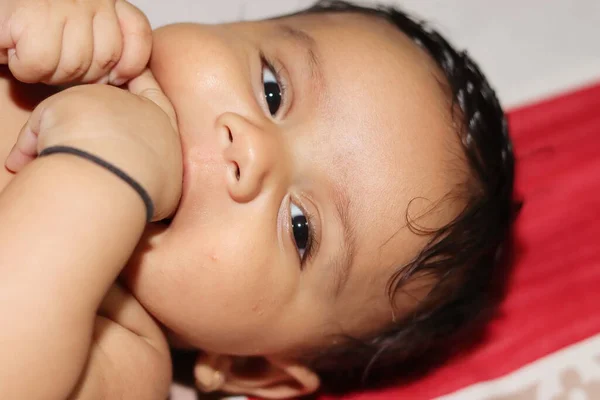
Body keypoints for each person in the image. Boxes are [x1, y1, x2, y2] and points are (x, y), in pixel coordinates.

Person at [0, 0, 518, 398]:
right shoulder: (67, 42)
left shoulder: (118, 350)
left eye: (301, 229)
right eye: (273, 90)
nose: (251, 148)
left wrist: (99, 168)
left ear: (251, 368)